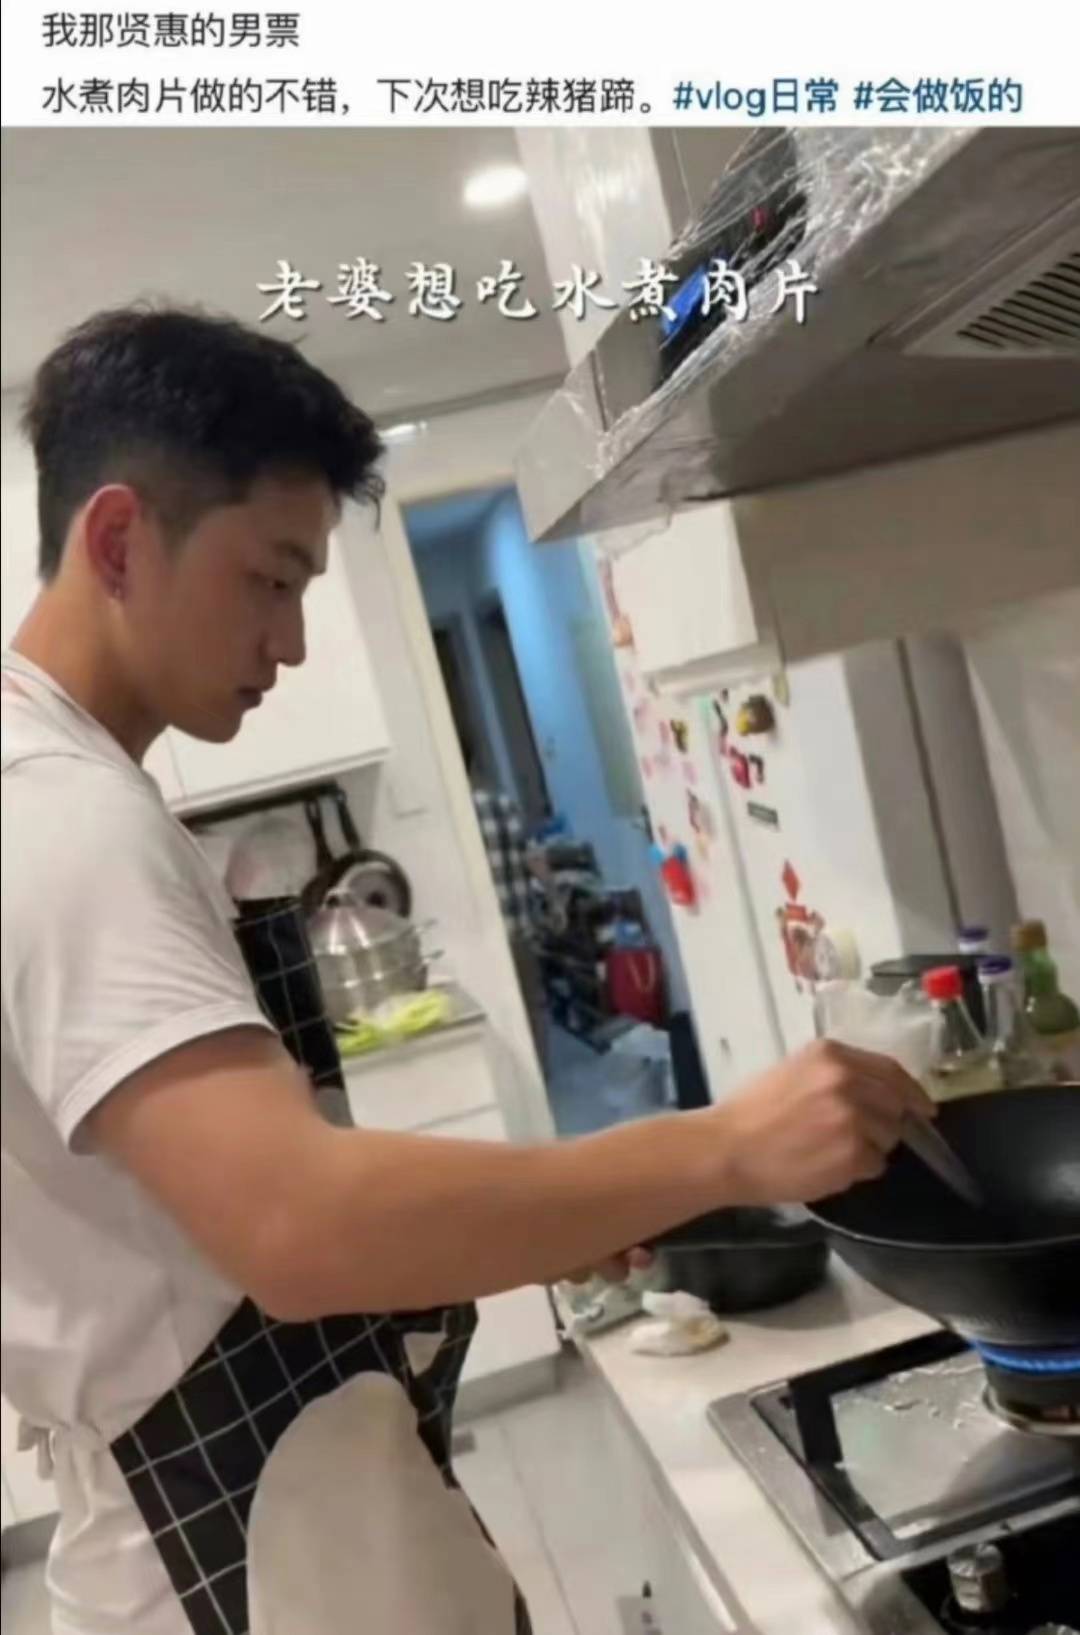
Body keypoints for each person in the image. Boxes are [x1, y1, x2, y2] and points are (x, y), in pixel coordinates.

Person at [1, 304, 935, 1635]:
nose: (293, 642)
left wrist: (568, 1197)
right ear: (116, 541)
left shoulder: (58, 789)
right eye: (270, 578)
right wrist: (727, 1146)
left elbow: (221, 1224)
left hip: (276, 1515)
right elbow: (299, 1227)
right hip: (236, 1564)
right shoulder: (60, 818)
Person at [465, 742, 551, 1071]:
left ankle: (513, 1081)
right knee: (531, 1008)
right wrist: (555, 899)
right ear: (475, 763)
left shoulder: (451, 819)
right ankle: (540, 1077)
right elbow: (535, 859)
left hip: (479, 941)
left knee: (497, 1018)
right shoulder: (502, 804)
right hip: (518, 931)